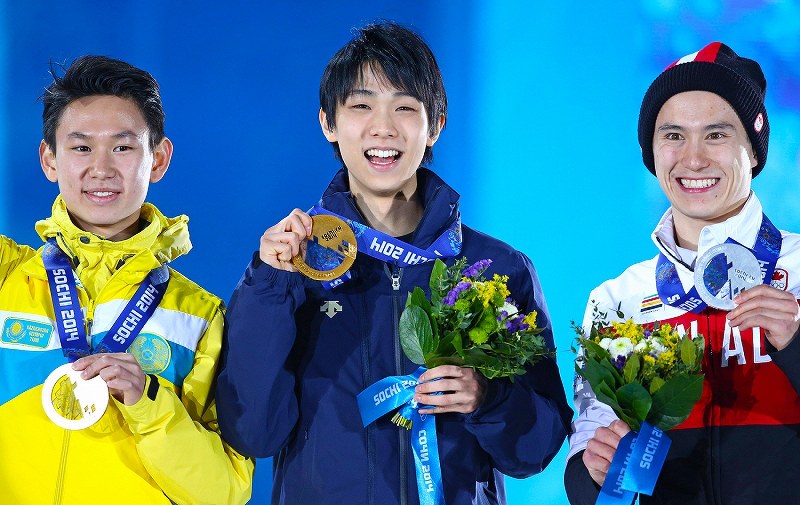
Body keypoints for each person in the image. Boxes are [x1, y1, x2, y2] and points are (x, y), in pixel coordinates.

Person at [215, 22, 572, 505]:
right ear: (328, 123)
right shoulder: (290, 264)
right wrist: (269, 285)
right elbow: (252, 433)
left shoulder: (497, 268)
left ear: (435, 125)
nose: (383, 127)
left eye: (405, 107)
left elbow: (539, 449)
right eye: (361, 106)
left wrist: (489, 399)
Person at [0, 56, 253, 504]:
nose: (101, 168)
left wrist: (148, 403)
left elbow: (224, 493)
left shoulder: (198, 318)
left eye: (122, 147)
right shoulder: (7, 275)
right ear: (48, 159)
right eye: (80, 147)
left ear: (158, 159)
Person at [565, 42, 800, 504]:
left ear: (753, 149)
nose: (693, 159)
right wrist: (595, 474)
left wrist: (797, 345)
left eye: (716, 135)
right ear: (652, 153)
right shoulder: (615, 300)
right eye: (673, 136)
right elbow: (587, 461)